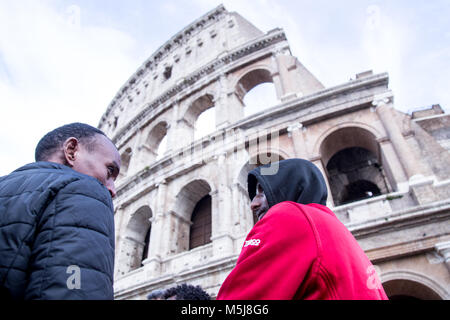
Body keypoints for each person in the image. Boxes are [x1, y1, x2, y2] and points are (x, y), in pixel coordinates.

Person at [217, 158, 388, 300]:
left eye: (262, 192)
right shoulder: (334, 230)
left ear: (288, 187)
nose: (253, 204)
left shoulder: (290, 216)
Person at [0, 122, 121, 300]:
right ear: (71, 151)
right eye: (109, 170)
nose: (112, 189)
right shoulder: (84, 189)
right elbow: (74, 289)